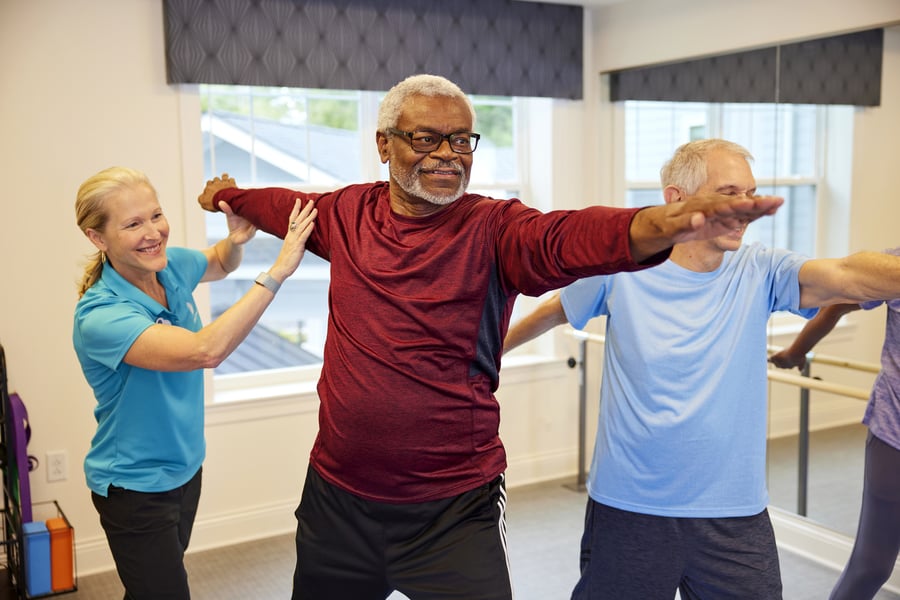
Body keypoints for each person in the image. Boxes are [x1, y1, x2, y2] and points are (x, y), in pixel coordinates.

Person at [197, 75, 784, 600]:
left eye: (461, 141)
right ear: (385, 144)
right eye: (427, 138)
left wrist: (663, 223)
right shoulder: (345, 214)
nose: (448, 154)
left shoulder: (495, 228)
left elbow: (567, 236)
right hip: (338, 501)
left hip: (455, 509)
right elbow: (276, 205)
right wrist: (226, 195)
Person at [504, 139, 900, 600]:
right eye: (729, 193)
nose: (745, 208)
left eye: (751, 194)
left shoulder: (762, 269)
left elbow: (850, 274)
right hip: (631, 506)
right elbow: (554, 309)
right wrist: (489, 353)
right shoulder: (621, 267)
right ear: (677, 200)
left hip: (735, 514)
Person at [72, 166, 316, 600]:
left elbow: (220, 261)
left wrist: (238, 239)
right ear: (98, 238)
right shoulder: (101, 316)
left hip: (185, 470)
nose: (153, 232)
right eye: (132, 224)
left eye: (155, 215)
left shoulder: (168, 269)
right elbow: (206, 351)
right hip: (134, 485)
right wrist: (276, 272)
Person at [770, 247, 900, 600]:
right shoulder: (893, 268)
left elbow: (837, 304)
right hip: (894, 435)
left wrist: (795, 352)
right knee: (871, 565)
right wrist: (796, 351)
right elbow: (838, 301)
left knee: (870, 565)